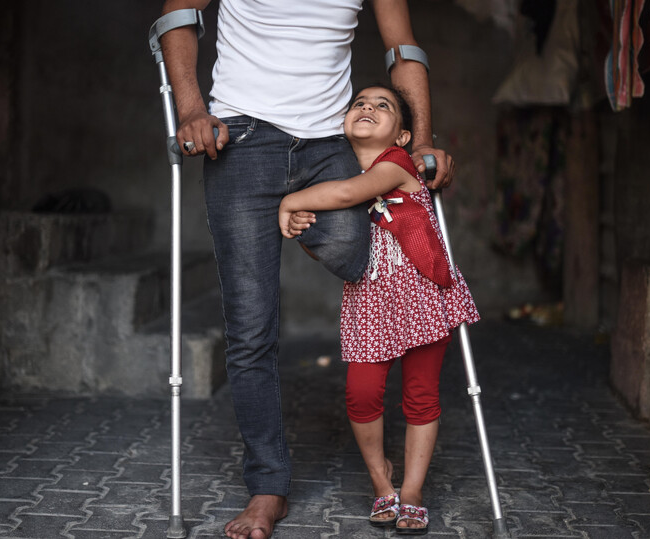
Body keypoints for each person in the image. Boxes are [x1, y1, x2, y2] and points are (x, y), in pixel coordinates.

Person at [158, 1, 455, 537]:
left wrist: (424, 137)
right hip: (242, 138)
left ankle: (289, 215)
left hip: (326, 144)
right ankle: (268, 488)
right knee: (251, 329)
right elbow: (178, 13)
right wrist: (191, 109)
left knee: (352, 250)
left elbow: (403, 49)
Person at [278, 85, 480, 534]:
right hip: (368, 301)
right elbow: (331, 248)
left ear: (403, 136)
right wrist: (303, 228)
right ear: (344, 124)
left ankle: (411, 491)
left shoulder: (396, 165)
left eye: (382, 105)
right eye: (359, 104)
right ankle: (380, 479)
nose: (367, 107)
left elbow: (351, 193)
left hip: (423, 294)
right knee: (362, 393)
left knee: (421, 394)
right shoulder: (333, 178)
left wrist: (290, 201)